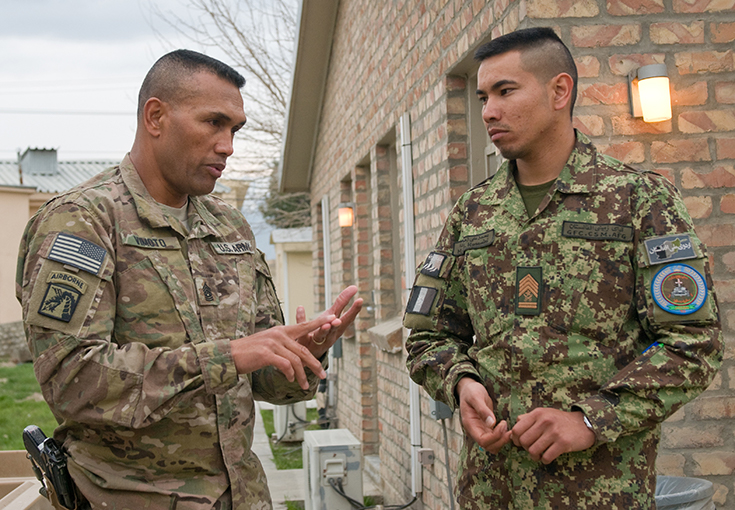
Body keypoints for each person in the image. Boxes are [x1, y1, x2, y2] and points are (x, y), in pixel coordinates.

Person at [16, 49, 362, 510]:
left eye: (235, 129)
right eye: (213, 123)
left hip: (242, 498)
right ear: (155, 116)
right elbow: (71, 379)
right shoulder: (83, 221)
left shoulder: (229, 228)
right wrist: (228, 356)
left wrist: (303, 353)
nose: (228, 145)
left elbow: (258, 380)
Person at [404, 27, 722, 509]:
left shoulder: (637, 201)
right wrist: (461, 382)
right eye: (483, 96)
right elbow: (429, 336)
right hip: (491, 492)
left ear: (559, 91)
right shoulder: (473, 212)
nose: (489, 111)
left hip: (598, 493)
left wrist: (591, 418)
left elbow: (692, 344)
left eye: (506, 91)